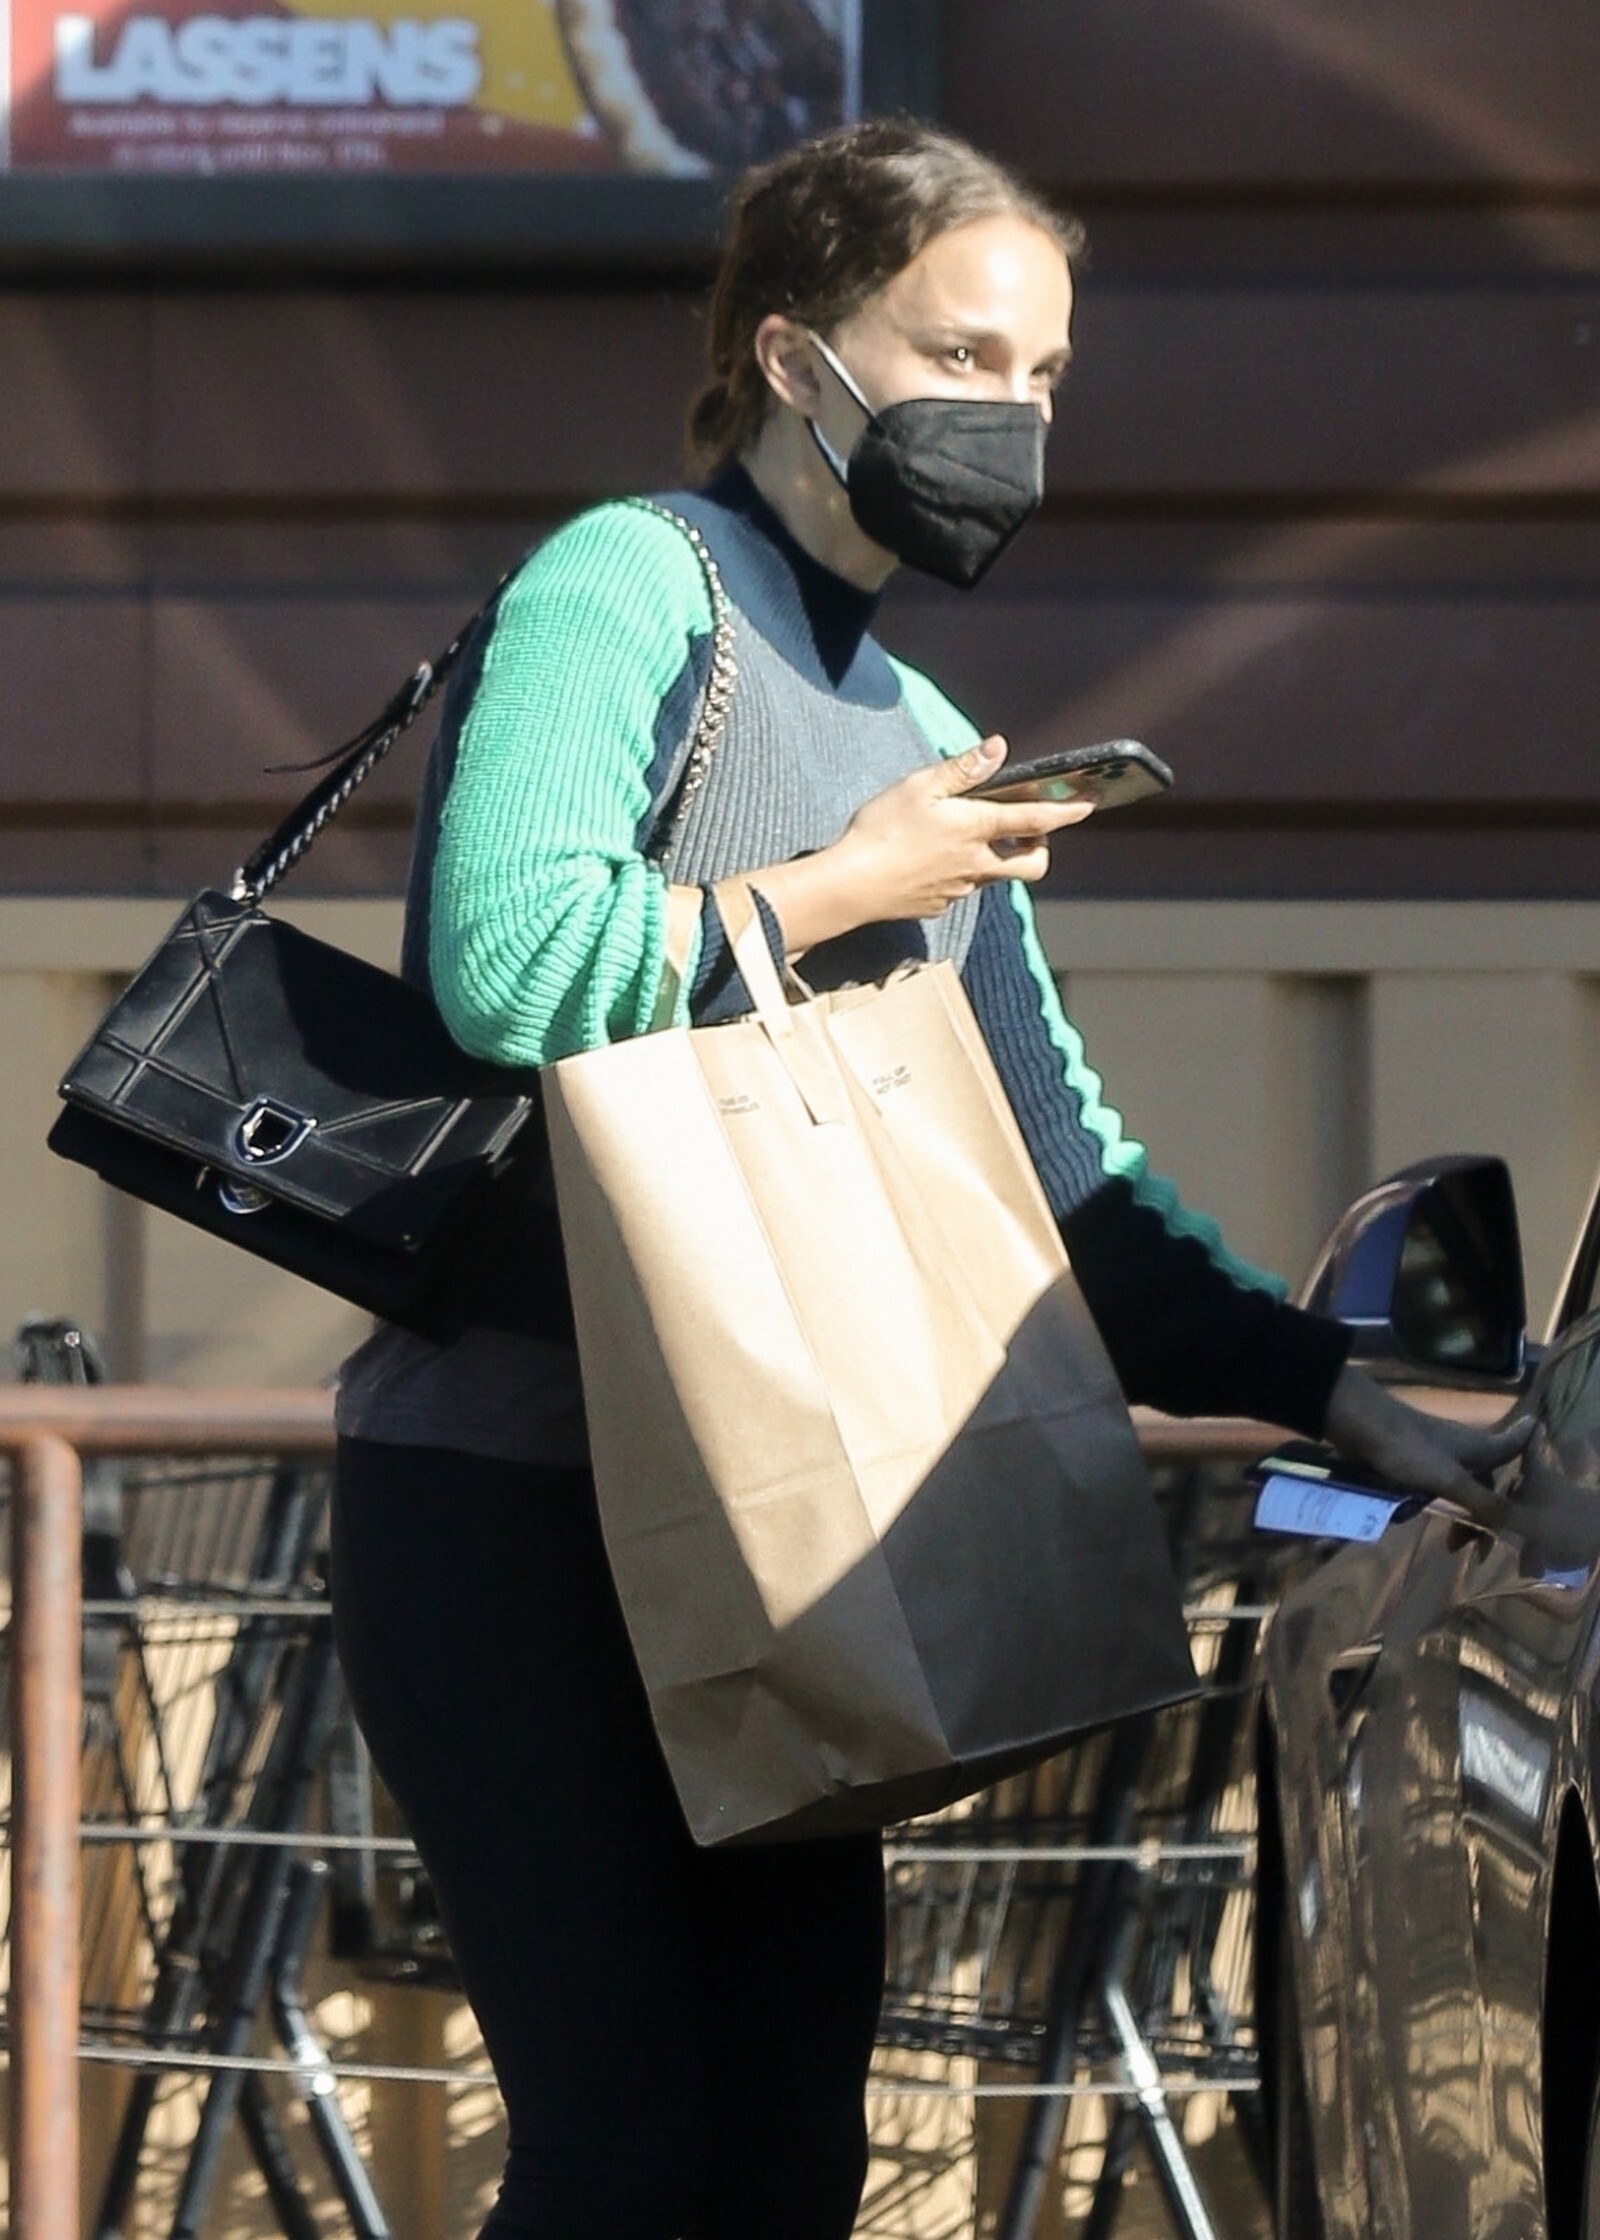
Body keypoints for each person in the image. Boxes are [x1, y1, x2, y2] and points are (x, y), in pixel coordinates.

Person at [330, 118, 1517, 2240]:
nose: (1011, 415)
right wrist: (838, 886)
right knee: (623, 2159)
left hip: (793, 1539)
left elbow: (1060, 1183)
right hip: (520, 1517)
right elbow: (503, 964)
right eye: (959, 356)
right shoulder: (630, 582)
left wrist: (1351, 1404)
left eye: (1044, 374)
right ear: (795, 360)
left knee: (785, 2161)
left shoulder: (923, 725)